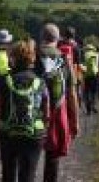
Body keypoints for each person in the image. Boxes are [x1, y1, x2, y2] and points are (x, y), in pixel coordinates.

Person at [0, 39, 49, 182]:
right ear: (32, 58)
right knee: (28, 176)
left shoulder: (3, 81)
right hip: (33, 135)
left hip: (8, 134)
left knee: (8, 175)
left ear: (12, 58)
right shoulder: (40, 82)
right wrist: (44, 133)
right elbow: (47, 113)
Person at [36, 23, 79, 182]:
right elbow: (72, 94)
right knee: (52, 156)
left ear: (41, 37)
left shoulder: (31, 55)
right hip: (56, 113)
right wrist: (74, 121)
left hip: (32, 114)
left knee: (28, 159)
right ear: (57, 38)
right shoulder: (64, 60)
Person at [57, 26, 83, 105]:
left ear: (65, 34)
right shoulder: (76, 47)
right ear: (73, 35)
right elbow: (78, 63)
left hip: (61, 71)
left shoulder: (59, 44)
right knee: (75, 91)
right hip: (73, 71)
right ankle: (77, 104)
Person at [82, 43, 99, 115]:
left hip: (87, 76)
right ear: (92, 49)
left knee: (87, 93)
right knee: (94, 92)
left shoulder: (84, 55)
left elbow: (83, 66)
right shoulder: (96, 55)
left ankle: (88, 109)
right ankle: (94, 105)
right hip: (95, 75)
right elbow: (97, 65)